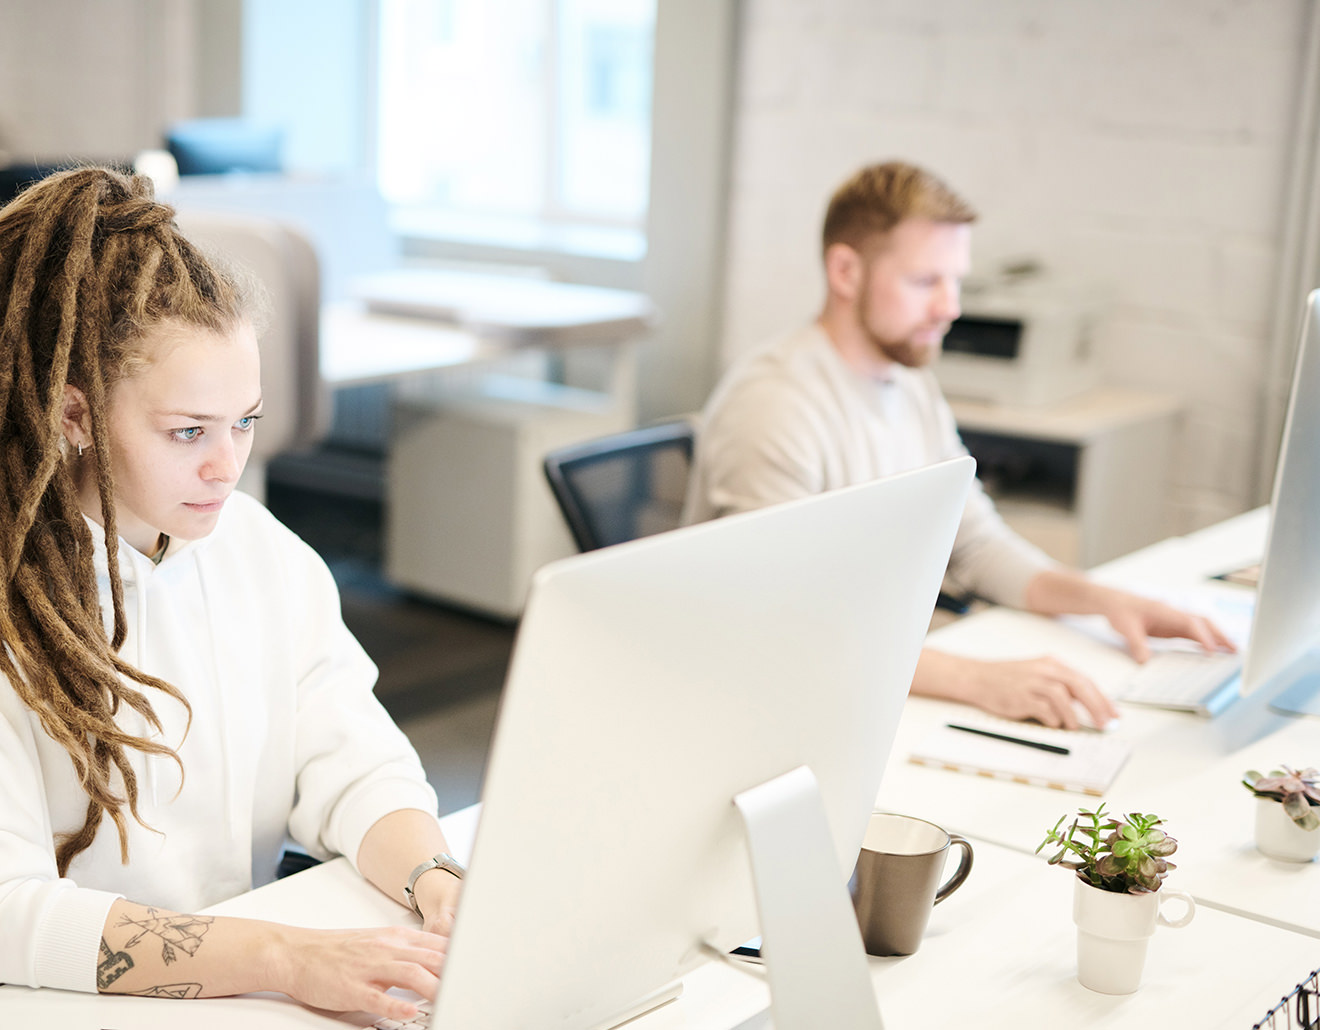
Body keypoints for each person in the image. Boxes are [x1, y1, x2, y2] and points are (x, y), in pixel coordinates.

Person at [0, 166, 457, 1023]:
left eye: (244, 421)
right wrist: (282, 958)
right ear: (74, 416)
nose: (228, 464)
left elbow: (355, 760)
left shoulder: (258, 551)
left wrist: (436, 880)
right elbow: (8, 914)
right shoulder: (19, 602)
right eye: (187, 433)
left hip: (231, 997)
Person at [684, 160, 1233, 731]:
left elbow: (974, 543)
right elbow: (783, 621)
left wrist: (1105, 601)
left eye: (956, 282)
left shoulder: (909, 383)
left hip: (869, 675)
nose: (950, 307)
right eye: (926, 282)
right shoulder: (775, 405)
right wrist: (978, 681)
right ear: (846, 271)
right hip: (781, 704)